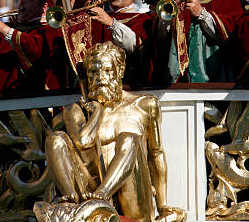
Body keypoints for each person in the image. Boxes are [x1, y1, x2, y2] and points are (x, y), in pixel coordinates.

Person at [45, 42, 184, 222]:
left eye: (107, 70)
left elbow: (155, 154)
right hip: (88, 192)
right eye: (93, 72)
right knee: (55, 139)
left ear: (120, 72)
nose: (100, 77)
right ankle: (70, 197)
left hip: (132, 193)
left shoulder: (144, 104)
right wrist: (98, 112)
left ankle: (102, 194)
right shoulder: (77, 109)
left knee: (129, 138)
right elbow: (83, 141)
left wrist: (163, 205)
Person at [167, 0, 243, 83]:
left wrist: (201, 14)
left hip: (215, 78)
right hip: (182, 82)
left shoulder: (229, 0)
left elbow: (234, 38)